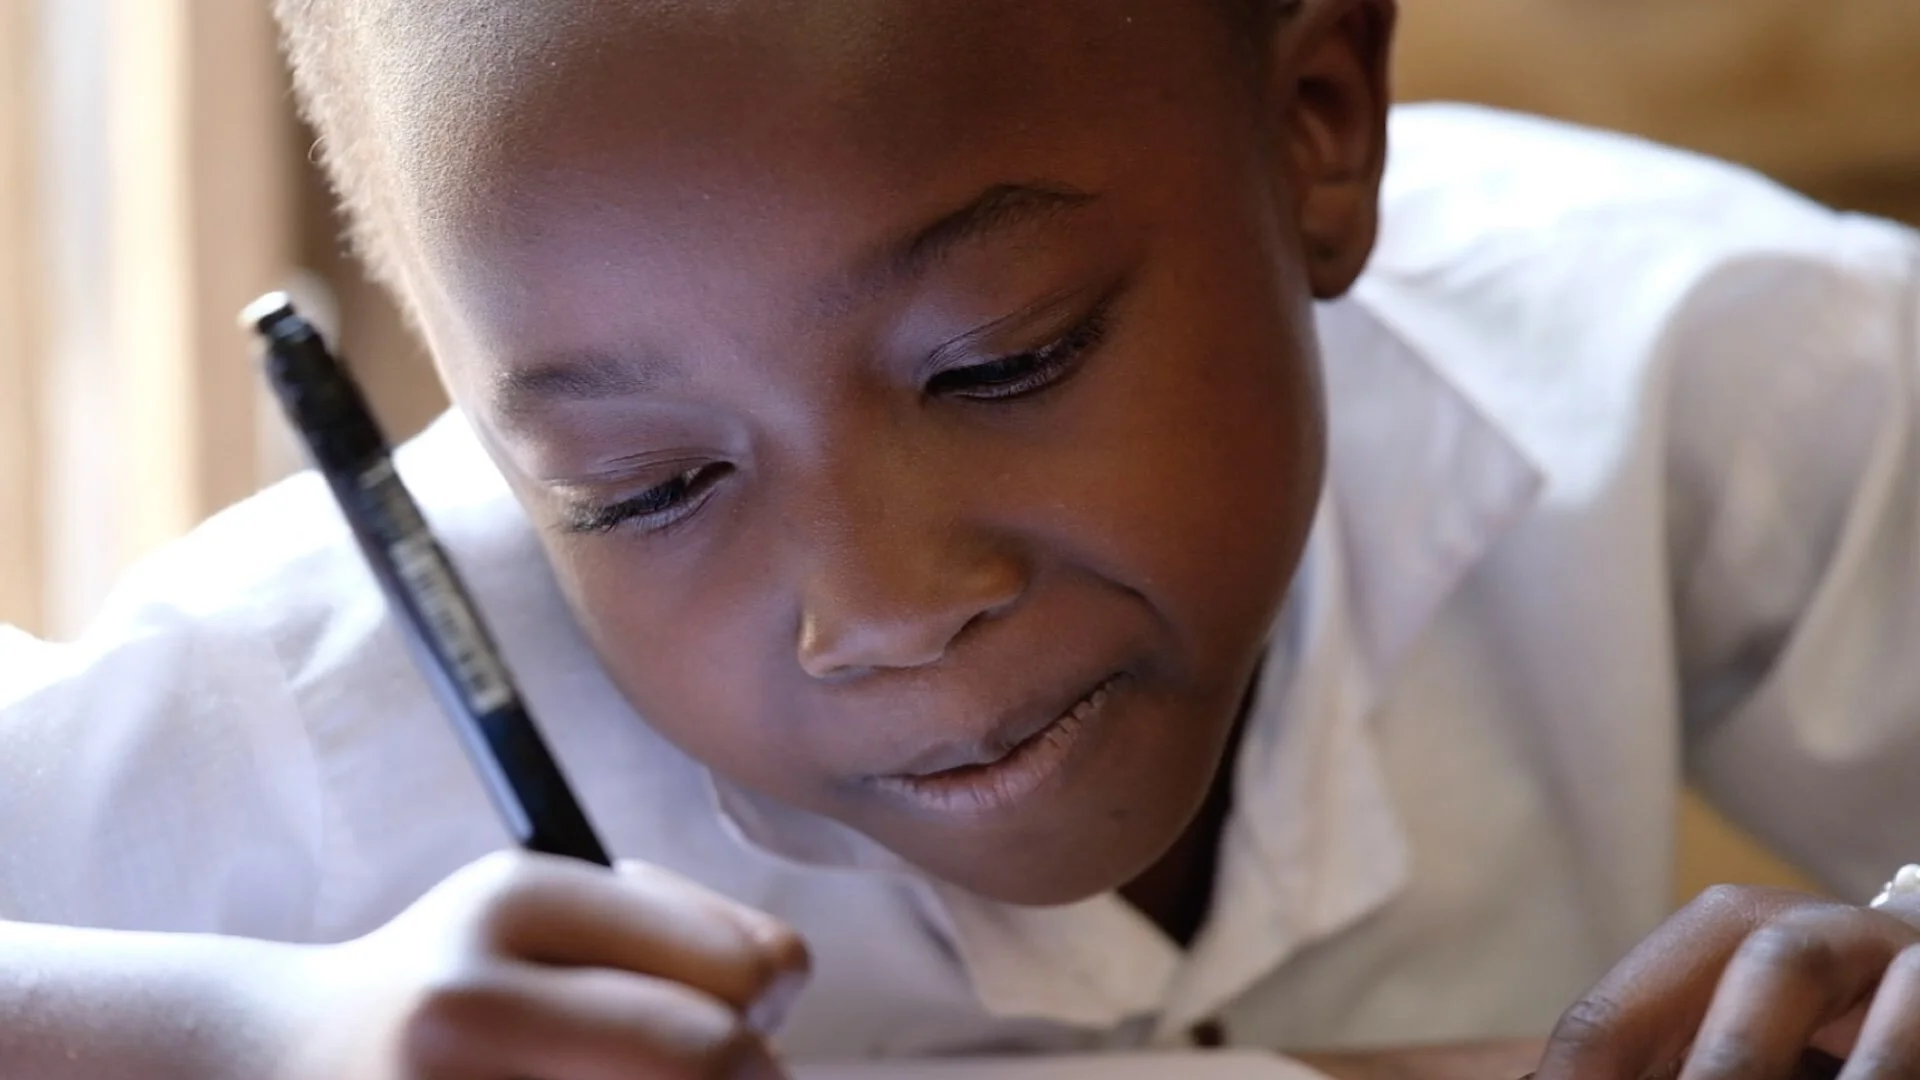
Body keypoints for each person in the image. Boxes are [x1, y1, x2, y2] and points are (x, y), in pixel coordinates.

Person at [3, 0, 1919, 1077]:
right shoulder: (316, 716)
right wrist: (255, 1034)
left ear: (1317, 128)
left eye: (1005, 360)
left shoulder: (1634, 345)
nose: (886, 610)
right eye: (645, 488)